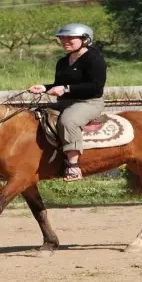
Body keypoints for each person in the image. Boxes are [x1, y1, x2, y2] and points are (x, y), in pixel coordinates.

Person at [28, 23, 107, 181]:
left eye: (70, 38)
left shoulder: (94, 59)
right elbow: (59, 84)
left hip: (89, 102)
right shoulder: (63, 62)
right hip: (65, 102)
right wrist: (44, 87)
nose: (65, 41)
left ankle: (73, 166)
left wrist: (66, 89)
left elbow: (96, 87)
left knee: (68, 121)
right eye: (62, 38)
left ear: (85, 39)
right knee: (35, 115)